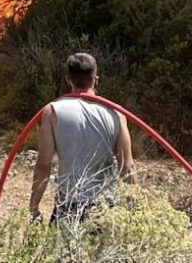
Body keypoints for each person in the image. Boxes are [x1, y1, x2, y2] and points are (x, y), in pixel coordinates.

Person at [30, 53, 135, 225]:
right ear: (96, 80)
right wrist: (135, 211)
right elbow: (127, 167)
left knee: (63, 252)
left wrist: (33, 208)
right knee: (105, 252)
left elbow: (43, 165)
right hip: (106, 207)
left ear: (68, 80)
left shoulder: (52, 112)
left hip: (68, 207)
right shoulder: (116, 114)